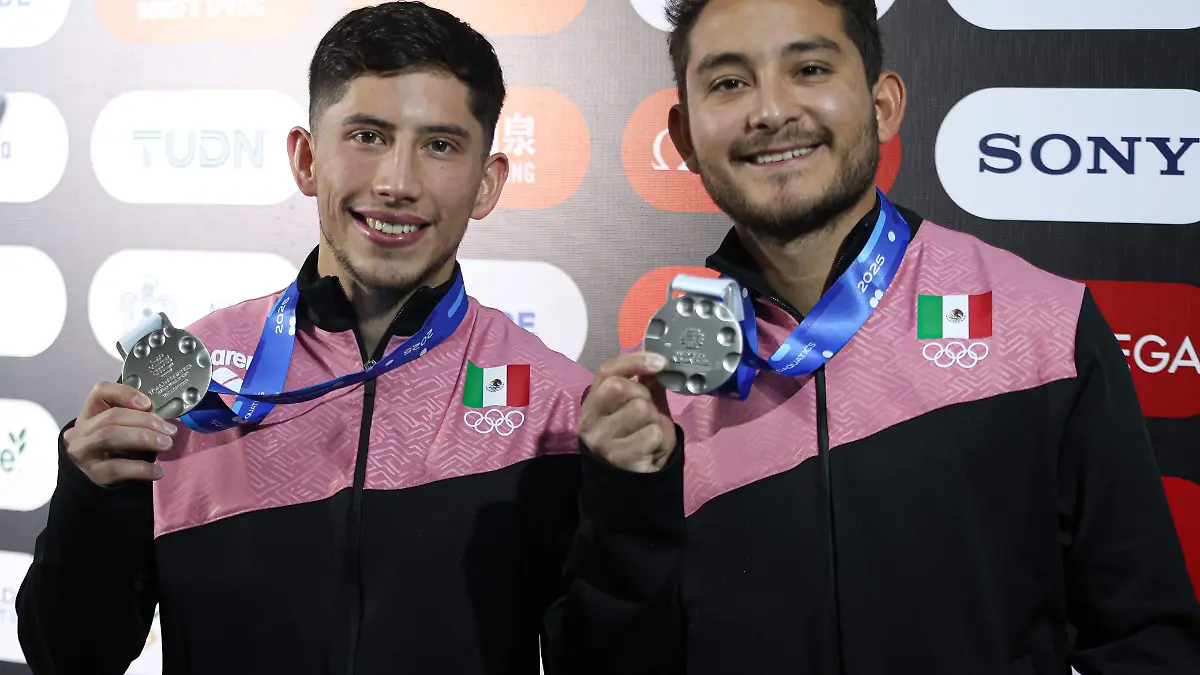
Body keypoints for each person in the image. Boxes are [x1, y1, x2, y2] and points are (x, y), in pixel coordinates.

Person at [548, 0, 1200, 673]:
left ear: (883, 105)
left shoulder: (1042, 328)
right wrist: (627, 508)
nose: (770, 110)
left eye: (809, 68)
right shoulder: (656, 401)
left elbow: (1148, 639)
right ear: (684, 137)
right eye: (730, 82)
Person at [17, 3, 591, 674]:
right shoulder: (193, 386)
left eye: (440, 145)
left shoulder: (557, 406)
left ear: (487, 184)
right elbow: (69, 657)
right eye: (368, 136)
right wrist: (91, 502)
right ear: (306, 158)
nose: (396, 183)